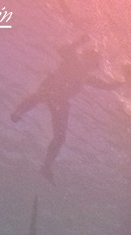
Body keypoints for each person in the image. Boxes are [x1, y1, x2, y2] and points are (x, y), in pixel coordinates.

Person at [11, 35, 124, 181]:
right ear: (86, 57)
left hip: (61, 101)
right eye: (92, 62)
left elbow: (106, 86)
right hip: (50, 89)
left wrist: (125, 81)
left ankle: (46, 166)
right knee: (40, 95)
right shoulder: (73, 60)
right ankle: (19, 111)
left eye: (94, 65)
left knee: (60, 137)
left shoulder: (86, 77)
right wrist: (80, 41)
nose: (92, 67)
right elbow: (62, 50)